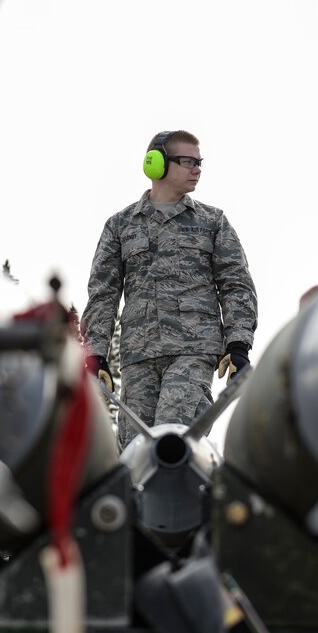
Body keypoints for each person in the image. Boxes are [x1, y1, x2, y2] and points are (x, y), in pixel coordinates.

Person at [81, 129, 258, 449]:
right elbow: (103, 294)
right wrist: (96, 356)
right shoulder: (120, 225)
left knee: (173, 441)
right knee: (136, 450)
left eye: (200, 162)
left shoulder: (212, 222)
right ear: (157, 164)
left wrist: (238, 344)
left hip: (193, 350)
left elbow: (236, 284)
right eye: (188, 161)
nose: (197, 169)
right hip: (138, 355)